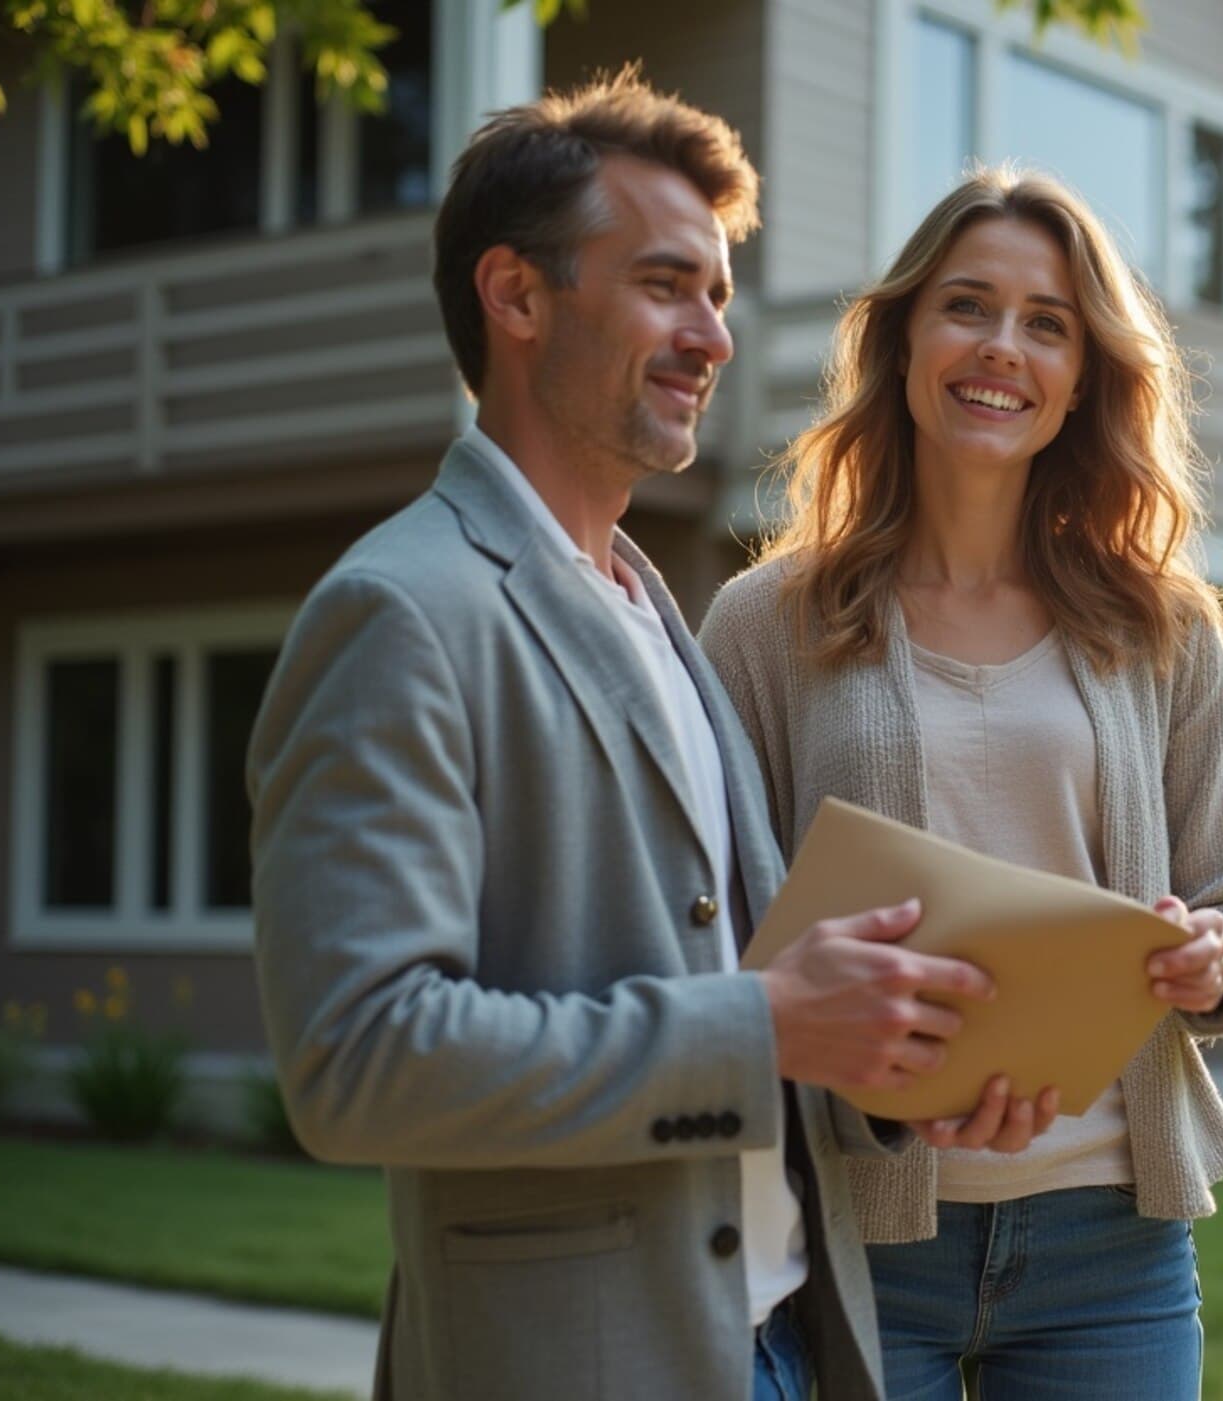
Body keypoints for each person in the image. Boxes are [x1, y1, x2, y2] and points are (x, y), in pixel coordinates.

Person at [249, 73, 1015, 1401]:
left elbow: (734, 981)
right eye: (667, 284)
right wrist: (767, 1027)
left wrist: (881, 1073)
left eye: (719, 293)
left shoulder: (660, 608)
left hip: (788, 1345)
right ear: (518, 296)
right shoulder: (399, 612)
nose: (712, 336)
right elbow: (358, 1057)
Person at [699, 167, 1223, 1399]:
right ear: (903, 337)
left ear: (1080, 380)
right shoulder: (763, 624)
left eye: (1046, 322)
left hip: (1108, 1249)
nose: (1000, 347)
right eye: (966, 305)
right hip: (851, 1242)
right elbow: (709, 934)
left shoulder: (1159, 624)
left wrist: (1211, 963)